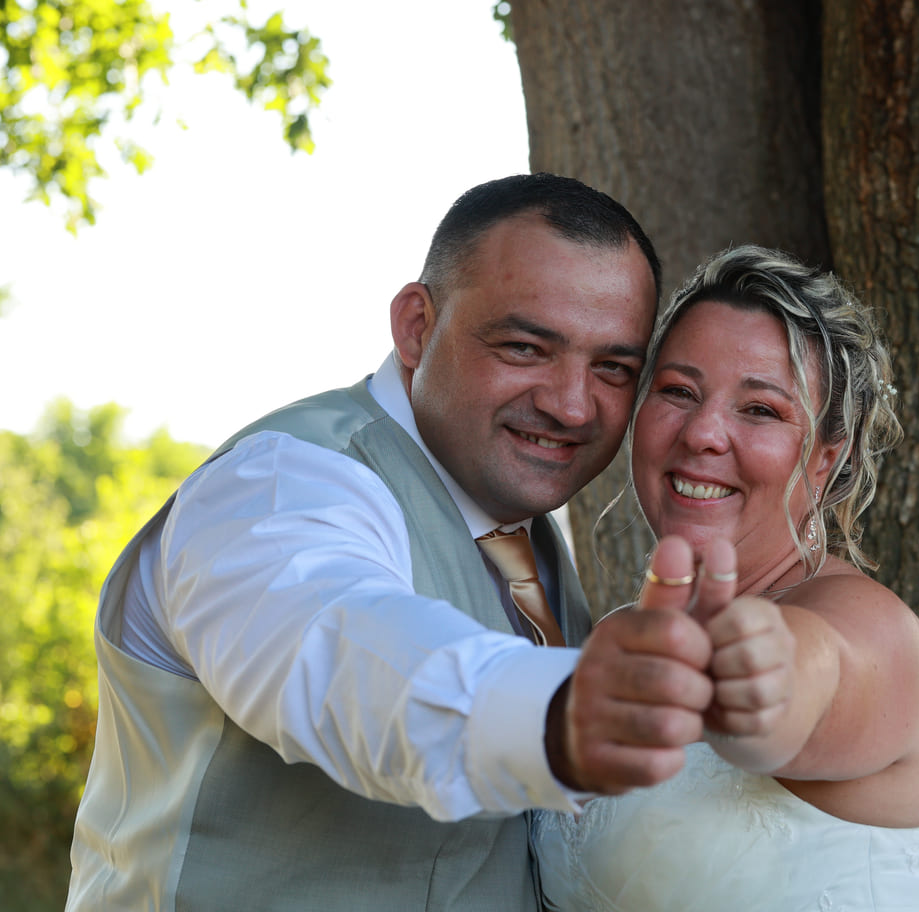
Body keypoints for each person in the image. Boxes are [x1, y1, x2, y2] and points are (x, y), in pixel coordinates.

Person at [65, 173, 720, 911]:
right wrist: (566, 714)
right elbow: (340, 657)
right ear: (415, 326)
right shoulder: (280, 485)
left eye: (613, 369)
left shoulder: (524, 533)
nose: (572, 405)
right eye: (525, 347)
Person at [532, 245, 919, 911]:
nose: (702, 433)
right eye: (678, 392)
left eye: (760, 409)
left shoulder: (871, 626)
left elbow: (812, 674)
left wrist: (759, 677)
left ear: (826, 458)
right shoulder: (621, 637)